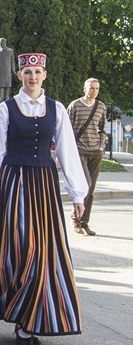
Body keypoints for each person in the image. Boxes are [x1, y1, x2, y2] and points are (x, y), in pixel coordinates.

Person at [0, 53, 88, 345]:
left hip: (44, 186)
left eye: (37, 71)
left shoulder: (56, 109)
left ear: (45, 74)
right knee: (20, 248)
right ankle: (21, 315)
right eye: (27, 72)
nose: (32, 76)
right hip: (14, 185)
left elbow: (68, 153)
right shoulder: (6, 110)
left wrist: (78, 194)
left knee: (43, 251)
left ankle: (29, 319)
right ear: (20, 75)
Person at [67, 78, 107, 236]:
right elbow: (66, 129)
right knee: (86, 184)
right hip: (79, 150)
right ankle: (75, 219)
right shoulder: (75, 105)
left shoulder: (101, 107)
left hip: (95, 151)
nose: (94, 91)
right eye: (91, 88)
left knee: (91, 190)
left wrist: (101, 145)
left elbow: (103, 129)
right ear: (85, 89)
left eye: (97, 88)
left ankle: (85, 222)